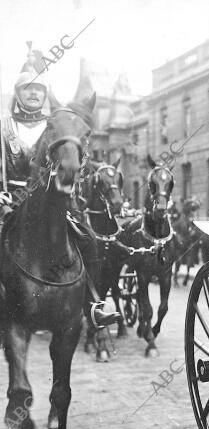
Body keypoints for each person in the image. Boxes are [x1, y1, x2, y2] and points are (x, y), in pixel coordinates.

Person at [0, 48, 120, 329]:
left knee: (88, 239)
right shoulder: (3, 126)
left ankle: (92, 303)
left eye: (39, 89)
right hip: (8, 201)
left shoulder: (56, 123)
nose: (33, 94)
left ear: (45, 95)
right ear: (17, 93)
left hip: (49, 200)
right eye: (27, 89)